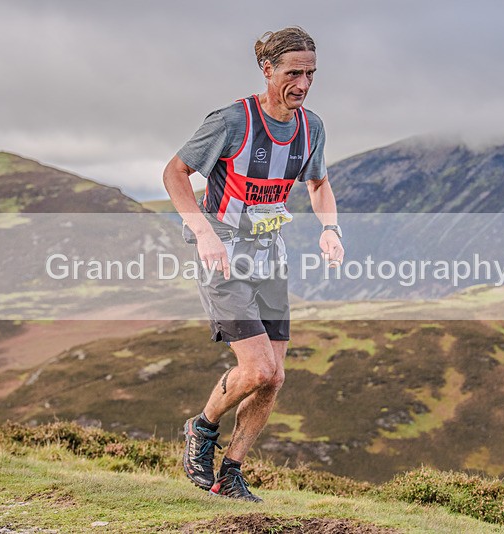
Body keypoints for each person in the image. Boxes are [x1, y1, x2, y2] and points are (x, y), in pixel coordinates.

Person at [163, 26, 343, 502]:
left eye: (310, 74)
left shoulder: (312, 127)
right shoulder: (232, 121)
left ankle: (231, 472)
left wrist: (330, 228)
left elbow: (318, 184)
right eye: (293, 73)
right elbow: (174, 172)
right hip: (223, 257)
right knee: (259, 369)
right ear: (268, 70)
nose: (302, 84)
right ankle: (201, 428)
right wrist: (202, 232)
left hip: (271, 260)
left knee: (275, 377)